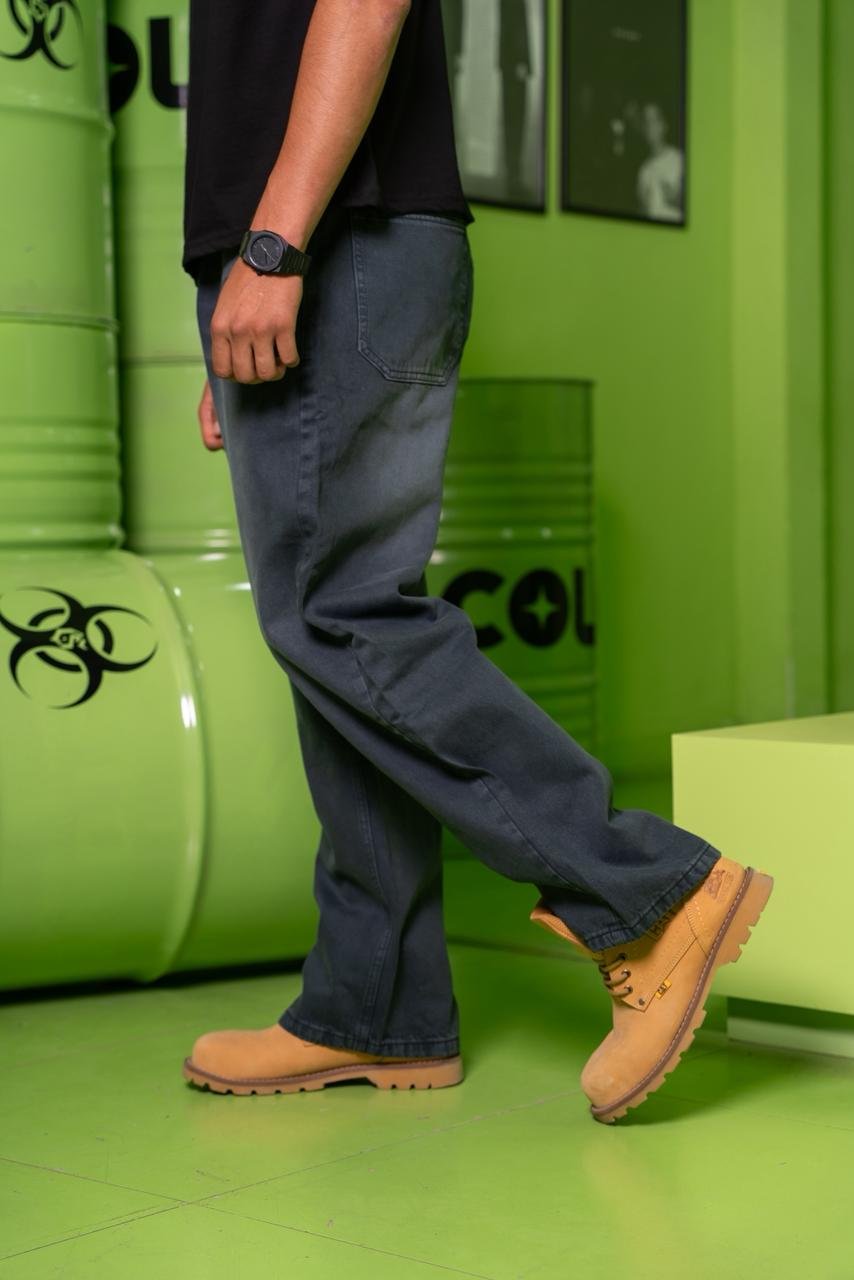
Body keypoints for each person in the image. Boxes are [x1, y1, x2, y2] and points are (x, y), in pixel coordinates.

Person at [180, 0, 773, 1124]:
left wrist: (271, 248)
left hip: (333, 240)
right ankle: (374, 1001)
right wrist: (229, 281)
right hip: (302, 245)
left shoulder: (301, 238)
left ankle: (650, 893)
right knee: (331, 646)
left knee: (339, 613)